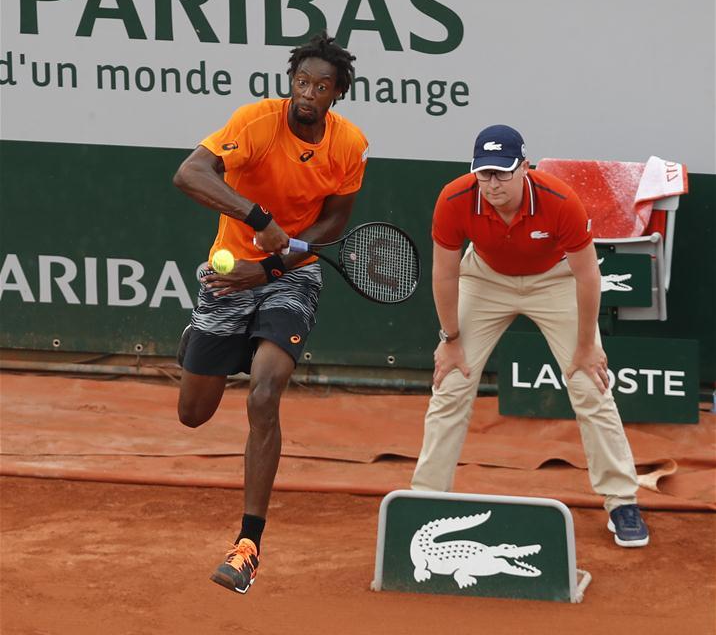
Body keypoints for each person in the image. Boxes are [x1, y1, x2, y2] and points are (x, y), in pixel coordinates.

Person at [173, 31, 369, 593]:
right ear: (291, 83)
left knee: (265, 390)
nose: (308, 93)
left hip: (291, 275)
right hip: (229, 271)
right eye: (301, 81)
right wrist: (260, 221)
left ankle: (248, 545)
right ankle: (205, 341)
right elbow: (190, 173)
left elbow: (334, 222)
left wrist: (280, 264)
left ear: (337, 94)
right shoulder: (255, 122)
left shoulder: (349, 145)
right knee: (193, 415)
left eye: (321, 86)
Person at [411, 124, 650, 548]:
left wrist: (585, 346)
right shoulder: (454, 198)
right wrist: (449, 338)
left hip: (554, 281)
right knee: (450, 384)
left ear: (524, 167)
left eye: (503, 172)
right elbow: (445, 273)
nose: (493, 183)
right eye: (485, 173)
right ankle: (426, 498)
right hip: (484, 280)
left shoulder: (560, 201)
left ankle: (621, 500)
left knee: (590, 385)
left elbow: (587, 274)